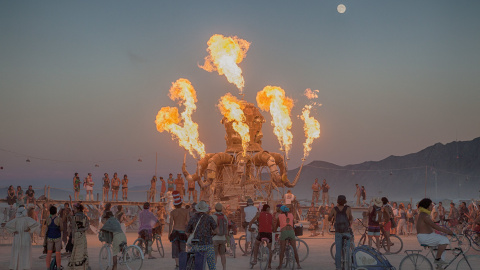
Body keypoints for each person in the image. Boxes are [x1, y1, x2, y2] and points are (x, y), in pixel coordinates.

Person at [416, 198, 453, 266]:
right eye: (430, 205)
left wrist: (445, 232)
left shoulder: (424, 214)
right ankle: (437, 259)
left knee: (442, 249)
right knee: (445, 240)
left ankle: (438, 266)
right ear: (427, 206)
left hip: (429, 236)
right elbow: (435, 226)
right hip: (425, 237)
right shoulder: (424, 215)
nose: (432, 206)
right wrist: (448, 232)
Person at [4, 205, 39, 270]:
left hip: (17, 236)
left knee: (17, 251)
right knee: (25, 252)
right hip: (25, 236)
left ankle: (16, 266)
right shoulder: (27, 219)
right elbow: (36, 224)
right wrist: (29, 229)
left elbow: (7, 225)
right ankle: (25, 266)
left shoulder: (16, 219)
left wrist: (14, 230)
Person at [186, 200, 217, 270]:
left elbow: (187, 232)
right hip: (208, 244)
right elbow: (216, 230)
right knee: (212, 265)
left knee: (196, 264)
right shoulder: (209, 218)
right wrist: (211, 233)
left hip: (196, 245)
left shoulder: (193, 218)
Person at [328, 195, 353, 270]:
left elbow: (329, 218)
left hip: (338, 232)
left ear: (338, 201)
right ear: (345, 201)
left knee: (338, 250)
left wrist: (332, 217)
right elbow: (350, 218)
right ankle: (348, 264)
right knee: (347, 249)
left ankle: (338, 267)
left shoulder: (334, 209)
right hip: (346, 231)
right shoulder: (348, 208)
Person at [168, 191, 189, 269]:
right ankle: (182, 264)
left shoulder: (173, 212)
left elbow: (170, 224)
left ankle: (177, 265)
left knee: (175, 250)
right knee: (182, 250)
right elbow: (188, 223)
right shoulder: (186, 211)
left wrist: (169, 234)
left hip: (175, 232)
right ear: (181, 203)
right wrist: (187, 233)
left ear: (174, 204)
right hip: (183, 232)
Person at [249, 204, 274, 268]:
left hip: (261, 233)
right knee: (269, 249)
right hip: (269, 233)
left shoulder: (259, 214)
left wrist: (249, 228)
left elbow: (251, 222)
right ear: (268, 209)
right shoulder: (271, 215)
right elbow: (273, 225)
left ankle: (255, 259)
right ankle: (269, 265)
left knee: (256, 244)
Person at [68, 203, 90, 270]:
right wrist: (82, 229)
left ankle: (77, 267)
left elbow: (73, 228)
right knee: (83, 251)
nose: (73, 210)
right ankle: (83, 267)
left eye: (74, 208)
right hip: (83, 235)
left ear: (78, 209)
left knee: (76, 251)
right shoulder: (85, 216)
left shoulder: (74, 217)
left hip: (77, 235)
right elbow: (87, 227)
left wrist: (73, 237)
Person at [45, 205, 63, 270]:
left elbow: (47, 228)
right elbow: (61, 228)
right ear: (56, 211)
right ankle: (58, 267)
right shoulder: (59, 219)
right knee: (58, 253)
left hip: (49, 237)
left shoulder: (47, 219)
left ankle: (48, 267)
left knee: (49, 253)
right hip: (57, 237)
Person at [211, 203, 228, 270]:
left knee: (215, 255)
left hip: (215, 238)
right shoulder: (225, 216)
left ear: (215, 209)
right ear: (221, 209)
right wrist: (226, 238)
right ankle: (224, 268)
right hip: (223, 238)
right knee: (223, 255)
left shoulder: (213, 216)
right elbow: (226, 228)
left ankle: (213, 268)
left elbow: (210, 228)